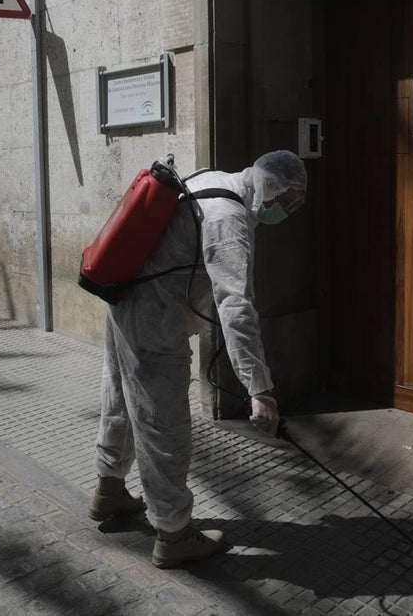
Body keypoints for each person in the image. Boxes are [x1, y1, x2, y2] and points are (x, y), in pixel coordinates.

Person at [90, 150, 308, 568]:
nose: (287, 212)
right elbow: (236, 307)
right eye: (288, 201)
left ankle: (109, 490)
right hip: (155, 323)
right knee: (164, 425)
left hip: (125, 301)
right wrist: (260, 389)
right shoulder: (229, 218)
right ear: (270, 187)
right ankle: (173, 534)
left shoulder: (214, 178)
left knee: (119, 402)